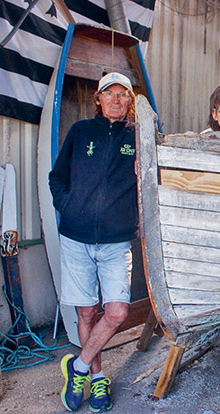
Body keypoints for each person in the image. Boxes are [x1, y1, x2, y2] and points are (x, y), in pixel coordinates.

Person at [49, 72, 139, 412]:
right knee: (86, 312)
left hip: (116, 241)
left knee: (116, 311)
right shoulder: (80, 132)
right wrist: (69, 206)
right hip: (76, 237)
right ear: (98, 99)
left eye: (123, 94)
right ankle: (98, 380)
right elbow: (57, 177)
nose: (116, 99)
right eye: (109, 93)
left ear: (130, 101)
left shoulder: (139, 136)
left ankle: (79, 366)